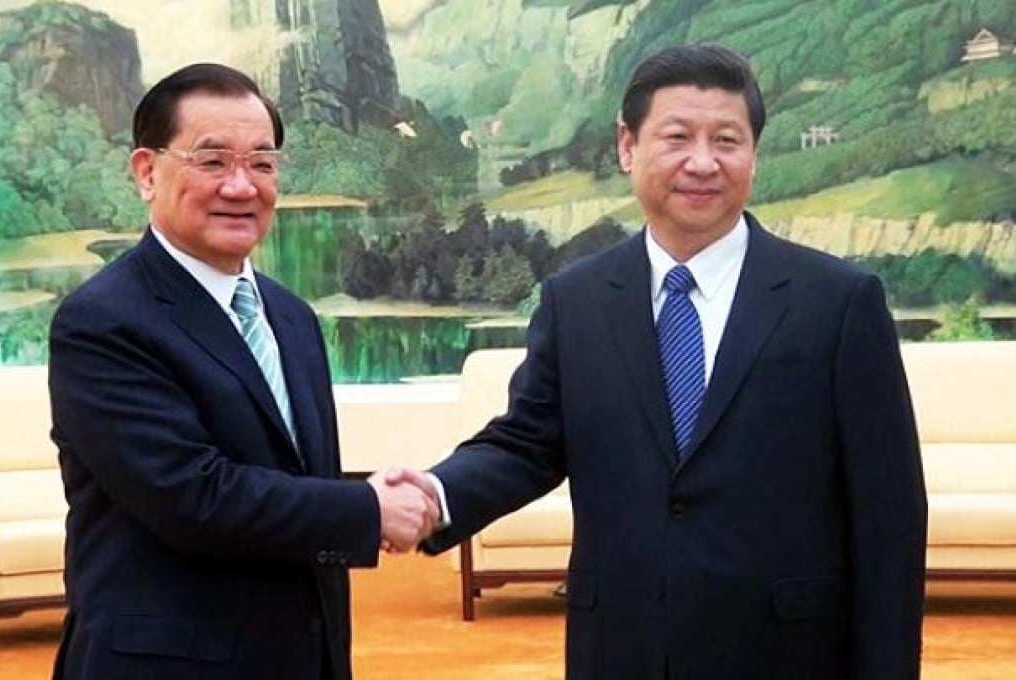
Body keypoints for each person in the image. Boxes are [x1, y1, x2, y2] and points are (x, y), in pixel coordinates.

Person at [397, 43, 928, 678]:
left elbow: (889, 514)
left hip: (787, 652)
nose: (702, 163)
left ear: (754, 153)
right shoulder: (578, 300)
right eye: (677, 137)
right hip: (624, 648)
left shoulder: (838, 302)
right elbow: (527, 444)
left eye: (726, 140)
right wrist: (435, 494)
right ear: (628, 146)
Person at [48, 63, 438, 679]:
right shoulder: (102, 321)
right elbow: (191, 497)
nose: (242, 185)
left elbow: (295, 477)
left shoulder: (292, 317)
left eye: (262, 162)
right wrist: (367, 511)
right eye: (212, 161)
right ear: (147, 173)